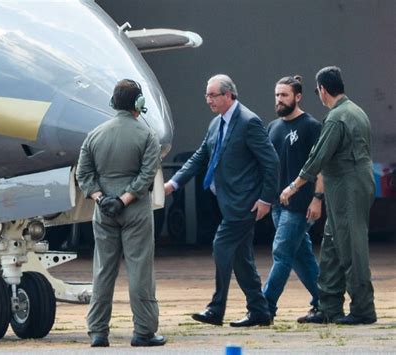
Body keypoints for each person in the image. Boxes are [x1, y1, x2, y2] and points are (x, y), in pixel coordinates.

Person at [164, 74, 279, 327]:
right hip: (227, 201)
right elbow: (199, 156)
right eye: (207, 95)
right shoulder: (216, 124)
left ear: (229, 95)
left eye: (213, 95)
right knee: (241, 259)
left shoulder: (249, 122)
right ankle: (259, 311)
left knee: (221, 245)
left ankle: (216, 309)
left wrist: (266, 199)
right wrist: (174, 183)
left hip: (245, 202)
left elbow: (271, 162)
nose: (208, 100)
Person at [280, 66, 377, 325]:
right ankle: (328, 306)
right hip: (348, 187)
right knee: (333, 245)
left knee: (351, 247)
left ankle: (363, 309)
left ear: (323, 89)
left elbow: (318, 157)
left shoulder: (337, 118)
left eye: (317, 91)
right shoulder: (356, 111)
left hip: (347, 188)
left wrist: (295, 185)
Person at [76, 79, 166, 347]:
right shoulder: (147, 136)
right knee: (140, 270)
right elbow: (148, 173)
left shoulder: (94, 135)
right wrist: (124, 199)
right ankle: (144, 331)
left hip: (104, 211)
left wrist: (102, 198)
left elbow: (83, 174)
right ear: (139, 104)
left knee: (103, 270)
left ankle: (98, 331)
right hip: (135, 209)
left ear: (114, 102)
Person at [263, 75, 323, 323]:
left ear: (298, 96)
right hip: (278, 205)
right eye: (277, 95)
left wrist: (317, 198)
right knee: (301, 256)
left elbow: (322, 167)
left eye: (284, 95)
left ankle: (264, 308)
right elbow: (268, 166)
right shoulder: (273, 127)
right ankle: (325, 303)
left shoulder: (311, 126)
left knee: (282, 252)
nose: (279, 99)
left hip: (300, 205)